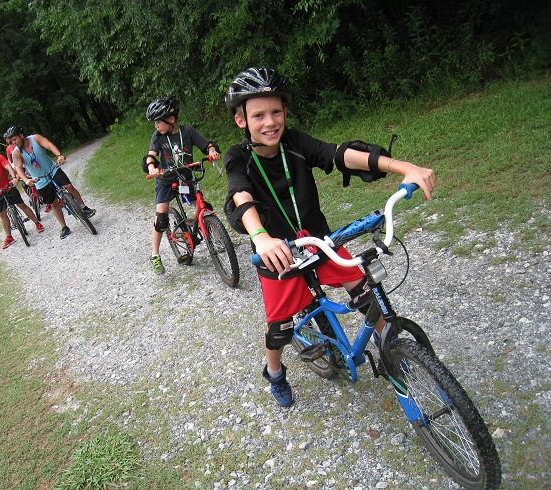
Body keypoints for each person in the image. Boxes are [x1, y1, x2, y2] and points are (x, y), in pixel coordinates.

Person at [223, 67, 436, 407]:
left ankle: (389, 348)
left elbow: (338, 155)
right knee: (279, 329)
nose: (269, 122)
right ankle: (274, 372)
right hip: (277, 255)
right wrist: (261, 237)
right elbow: (240, 195)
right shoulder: (239, 158)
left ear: (286, 112)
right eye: (258, 115)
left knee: (365, 291)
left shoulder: (295, 142)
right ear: (241, 121)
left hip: (319, 242)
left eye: (276, 111)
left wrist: (402, 167)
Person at [142, 96, 221, 274]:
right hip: (165, 178)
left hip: (185, 176)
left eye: (158, 122)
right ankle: (155, 254)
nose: (156, 126)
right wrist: (152, 167)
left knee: (201, 206)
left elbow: (206, 145)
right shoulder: (158, 137)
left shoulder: (187, 132)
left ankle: (215, 235)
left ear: (171, 119)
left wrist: (212, 151)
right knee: (161, 217)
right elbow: (151, 155)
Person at [6, 126, 95, 239]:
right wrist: (26, 179)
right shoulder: (16, 153)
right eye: (11, 141)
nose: (13, 143)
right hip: (39, 179)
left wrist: (59, 155)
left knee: (68, 186)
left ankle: (84, 207)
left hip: (52, 169)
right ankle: (64, 227)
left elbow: (49, 145)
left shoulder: (35, 138)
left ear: (21, 136)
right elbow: (18, 168)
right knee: (53, 203)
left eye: (14, 139)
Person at [0, 142, 45, 249]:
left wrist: (14, 177)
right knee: (2, 214)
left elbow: (8, 166)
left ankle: (37, 223)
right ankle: (9, 237)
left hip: (8, 186)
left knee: (22, 205)